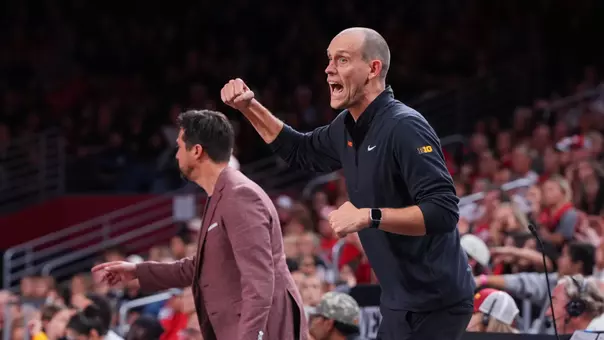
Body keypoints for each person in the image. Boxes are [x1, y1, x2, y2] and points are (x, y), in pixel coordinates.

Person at [221, 27, 474, 339]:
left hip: (438, 300)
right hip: (400, 300)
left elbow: (444, 212)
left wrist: (369, 215)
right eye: (329, 60)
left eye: (341, 60)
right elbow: (299, 151)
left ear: (373, 68)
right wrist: (249, 107)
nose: (328, 69)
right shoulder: (347, 126)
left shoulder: (405, 127)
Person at [93, 110, 307, 340]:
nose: (176, 155)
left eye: (179, 146)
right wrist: (136, 271)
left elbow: (260, 281)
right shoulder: (221, 196)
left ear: (196, 151)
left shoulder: (240, 195)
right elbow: (200, 267)